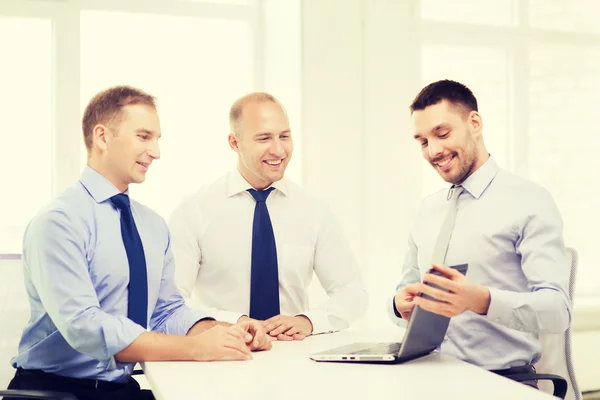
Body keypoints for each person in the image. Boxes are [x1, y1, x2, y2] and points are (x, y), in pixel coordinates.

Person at [7, 86, 270, 400]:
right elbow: (84, 327)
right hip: (56, 392)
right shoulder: (58, 222)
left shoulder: (152, 226)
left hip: (119, 390)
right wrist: (195, 349)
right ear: (103, 137)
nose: (156, 152)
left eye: (157, 139)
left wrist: (225, 333)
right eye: (144, 137)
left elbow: (166, 312)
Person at [389, 80, 571, 386]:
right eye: (422, 142)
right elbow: (404, 291)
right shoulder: (427, 211)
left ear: (474, 123)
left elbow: (558, 312)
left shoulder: (529, 200)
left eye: (442, 134)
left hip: (502, 382)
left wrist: (481, 300)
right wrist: (398, 303)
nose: (433, 151)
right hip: (430, 378)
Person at [168, 92, 368, 340]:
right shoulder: (194, 211)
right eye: (264, 138)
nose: (278, 150)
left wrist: (308, 321)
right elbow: (172, 303)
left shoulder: (314, 211)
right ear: (234, 142)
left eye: (284, 136)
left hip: (295, 357)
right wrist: (234, 322)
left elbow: (351, 292)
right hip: (222, 358)